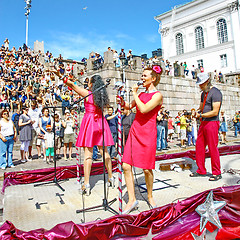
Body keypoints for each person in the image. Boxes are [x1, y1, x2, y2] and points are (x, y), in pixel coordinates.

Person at [52, 72, 115, 196]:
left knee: (88, 154)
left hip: (91, 122)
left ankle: (86, 183)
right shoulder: (102, 96)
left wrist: (60, 75)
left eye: (89, 83)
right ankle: (111, 177)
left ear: (92, 84)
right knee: (105, 152)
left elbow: (72, 85)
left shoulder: (87, 93)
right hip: (100, 122)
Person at [119, 65, 163, 214]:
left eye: (144, 76)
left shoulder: (158, 96)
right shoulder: (141, 94)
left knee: (146, 169)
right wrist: (121, 100)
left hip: (148, 133)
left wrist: (134, 93)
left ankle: (149, 196)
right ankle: (132, 200)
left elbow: (144, 109)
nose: (142, 78)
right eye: (142, 75)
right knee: (126, 165)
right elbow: (128, 107)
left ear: (153, 78)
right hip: (135, 130)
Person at [190, 73, 222, 181]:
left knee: (212, 147)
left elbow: (215, 111)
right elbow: (201, 107)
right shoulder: (203, 94)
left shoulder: (216, 93)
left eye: (201, 84)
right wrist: (196, 112)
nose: (200, 86)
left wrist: (201, 115)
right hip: (203, 122)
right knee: (199, 146)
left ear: (207, 82)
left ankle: (217, 172)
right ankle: (201, 170)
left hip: (212, 122)